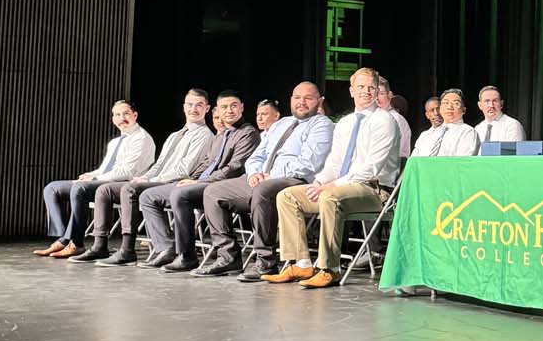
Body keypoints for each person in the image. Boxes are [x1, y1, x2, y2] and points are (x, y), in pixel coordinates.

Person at [265, 66, 402, 290]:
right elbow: (335, 162)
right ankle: (300, 263)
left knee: (330, 197)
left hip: (375, 190)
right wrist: (319, 182)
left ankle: (329, 268)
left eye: (371, 87)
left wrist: (331, 186)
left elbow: (371, 168)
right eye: (360, 86)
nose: (365, 91)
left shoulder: (384, 121)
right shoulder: (346, 123)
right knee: (288, 196)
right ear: (351, 90)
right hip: (342, 186)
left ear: (377, 91)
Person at [196, 81, 334, 280]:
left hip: (295, 180)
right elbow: (256, 156)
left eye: (308, 98)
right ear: (291, 100)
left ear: (319, 101)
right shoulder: (281, 124)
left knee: (264, 190)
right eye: (297, 97)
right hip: (261, 178)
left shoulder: (322, 125)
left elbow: (310, 163)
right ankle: (228, 256)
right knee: (213, 192)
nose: (301, 102)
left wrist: (271, 175)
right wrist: (254, 174)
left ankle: (265, 261)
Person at [74, 88, 214, 265]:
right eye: (190, 104)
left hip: (174, 182)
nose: (193, 109)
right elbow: (159, 164)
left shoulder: (204, 135)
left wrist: (151, 180)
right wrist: (145, 177)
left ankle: (128, 249)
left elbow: (184, 170)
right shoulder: (175, 135)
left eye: (199, 105)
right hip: (157, 179)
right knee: (105, 190)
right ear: (183, 106)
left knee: (130, 189)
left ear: (207, 109)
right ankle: (99, 246)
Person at [140, 91, 259, 273]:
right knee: (148, 196)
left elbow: (233, 169)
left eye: (233, 106)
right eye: (224, 107)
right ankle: (167, 248)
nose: (229, 110)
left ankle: (187, 256)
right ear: (218, 110)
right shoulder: (221, 135)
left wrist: (198, 182)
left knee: (180, 195)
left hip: (223, 185)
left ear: (241, 107)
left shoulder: (248, 133)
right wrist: (192, 179)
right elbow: (207, 162)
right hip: (203, 182)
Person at [37, 101, 155, 260]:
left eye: (126, 114)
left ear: (135, 115)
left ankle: (75, 243)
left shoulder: (141, 138)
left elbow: (127, 172)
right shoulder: (115, 142)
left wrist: (94, 178)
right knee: (52, 188)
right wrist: (90, 175)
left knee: (80, 189)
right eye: (117, 115)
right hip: (104, 180)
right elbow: (104, 169)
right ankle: (62, 237)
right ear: (113, 118)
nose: (122, 118)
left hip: (123, 184)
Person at [411, 90, 481, 157]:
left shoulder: (468, 132)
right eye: (446, 103)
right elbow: (414, 161)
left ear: (463, 110)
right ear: (440, 108)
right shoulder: (426, 135)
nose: (449, 107)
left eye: (456, 103)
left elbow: (463, 161)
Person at [376, 76, 411, 159]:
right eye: (375, 94)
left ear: (389, 95)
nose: (377, 98)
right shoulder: (372, 117)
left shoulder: (396, 119)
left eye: (381, 93)